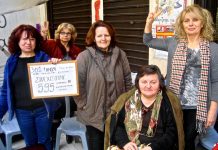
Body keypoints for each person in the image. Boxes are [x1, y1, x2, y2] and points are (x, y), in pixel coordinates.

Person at [143, 4, 218, 150]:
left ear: (202, 23)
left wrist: (213, 110)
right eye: (186, 20)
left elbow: (216, 81)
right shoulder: (174, 43)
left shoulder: (213, 48)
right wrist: (149, 23)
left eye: (195, 20)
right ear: (182, 24)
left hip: (198, 106)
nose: (190, 24)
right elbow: (148, 41)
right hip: (173, 102)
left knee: (188, 141)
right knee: (171, 137)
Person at [0, 24, 61, 150]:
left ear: (36, 41)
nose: (28, 42)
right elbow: (5, 91)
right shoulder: (11, 61)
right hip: (22, 112)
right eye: (24, 39)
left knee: (45, 141)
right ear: (17, 41)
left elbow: (57, 81)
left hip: (43, 110)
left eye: (32, 39)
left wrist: (56, 65)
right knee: (30, 143)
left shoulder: (44, 58)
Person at [74, 20, 133, 150]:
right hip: (93, 114)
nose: (103, 38)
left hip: (116, 112)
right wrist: (83, 104)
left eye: (106, 35)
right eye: (99, 35)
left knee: (115, 146)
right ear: (93, 38)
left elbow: (128, 79)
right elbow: (77, 83)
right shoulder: (84, 57)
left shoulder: (120, 54)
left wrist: (128, 101)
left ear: (111, 37)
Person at [105, 65, 184, 150]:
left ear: (160, 83)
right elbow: (118, 126)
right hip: (131, 146)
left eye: (153, 82)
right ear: (138, 83)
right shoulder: (127, 100)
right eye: (144, 82)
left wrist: (152, 148)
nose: (148, 86)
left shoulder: (168, 102)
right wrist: (125, 143)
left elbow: (171, 134)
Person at [40, 22, 81, 143]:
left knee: (71, 110)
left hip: (71, 85)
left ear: (72, 35)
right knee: (56, 113)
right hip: (56, 86)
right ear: (59, 33)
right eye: (63, 33)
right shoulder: (51, 43)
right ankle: (53, 138)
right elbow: (39, 47)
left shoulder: (76, 49)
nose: (65, 35)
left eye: (69, 33)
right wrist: (43, 33)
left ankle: (69, 134)